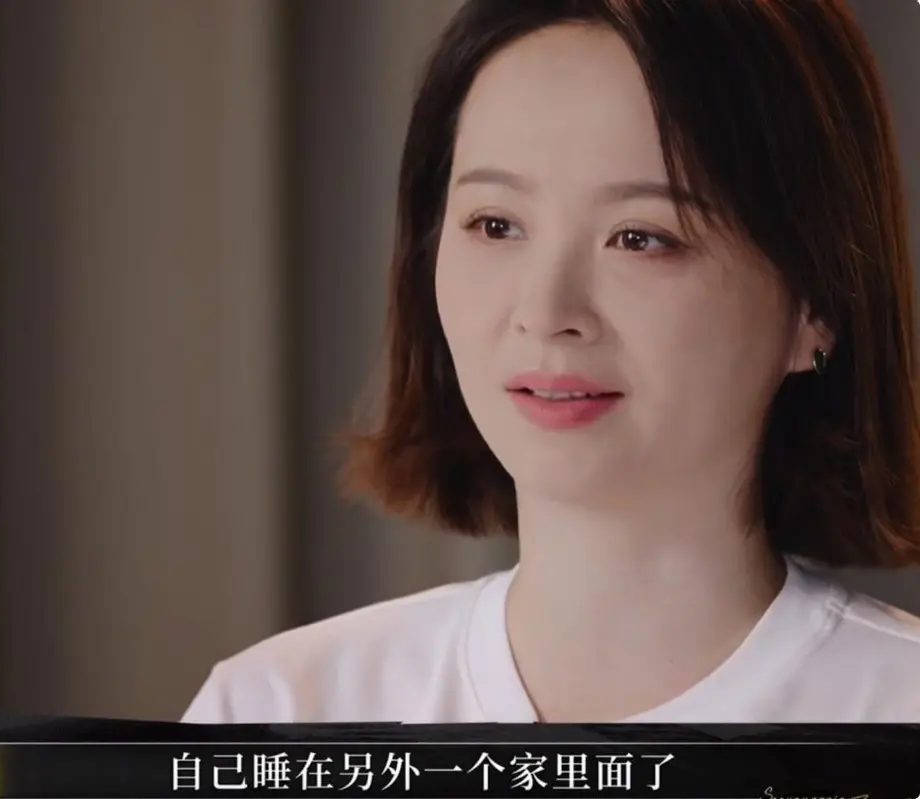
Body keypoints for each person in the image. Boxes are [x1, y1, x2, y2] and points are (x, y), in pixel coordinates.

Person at [183, 0, 920, 723]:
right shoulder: (278, 712)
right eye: (495, 225)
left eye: (640, 237)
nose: (545, 311)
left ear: (814, 305)